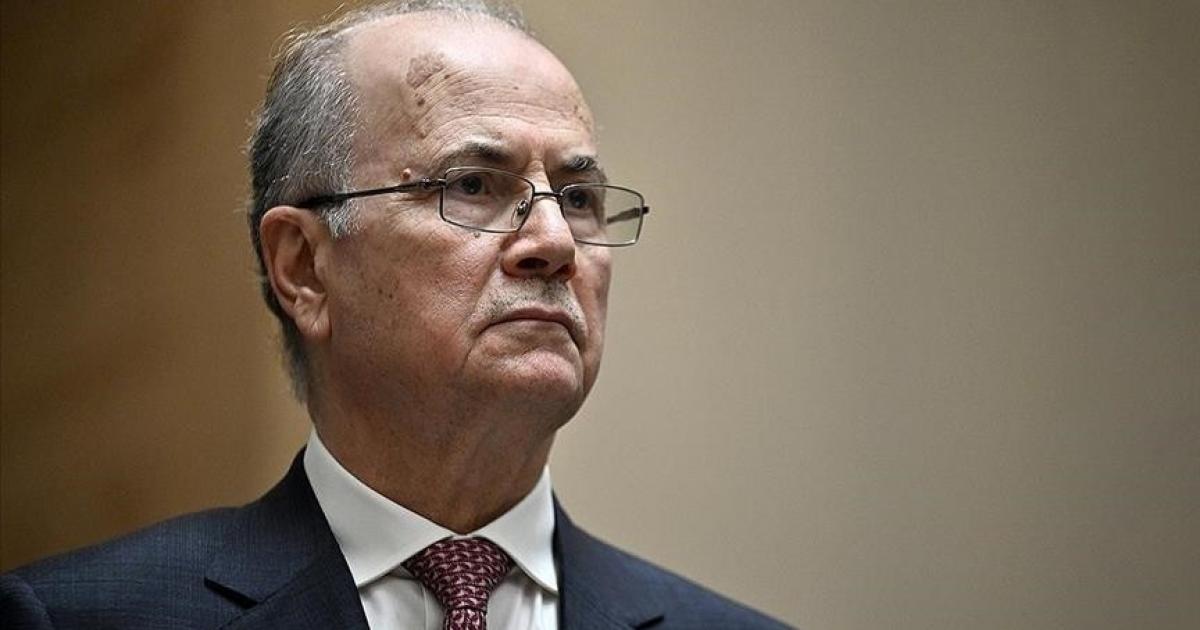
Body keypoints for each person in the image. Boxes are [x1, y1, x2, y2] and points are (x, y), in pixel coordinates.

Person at [1, 2, 790, 628]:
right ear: (304, 268)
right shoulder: (80, 617)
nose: (554, 242)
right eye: (473, 185)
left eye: (578, 197)